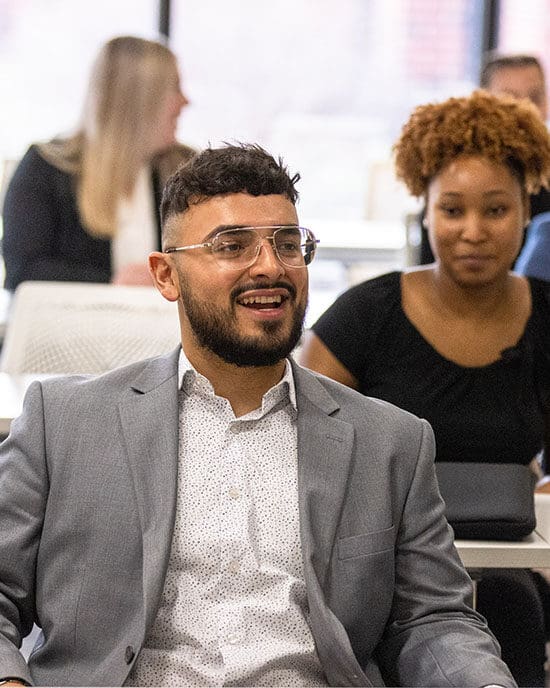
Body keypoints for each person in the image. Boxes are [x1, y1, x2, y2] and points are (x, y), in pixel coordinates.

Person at [0, 144, 515, 687]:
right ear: (166, 275)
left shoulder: (391, 442)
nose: (270, 266)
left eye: (287, 243)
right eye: (233, 245)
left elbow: (432, 621)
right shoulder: (63, 424)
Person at [300, 91, 550, 686]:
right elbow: (298, 438)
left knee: (510, 612)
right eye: (452, 210)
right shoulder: (368, 314)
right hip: (378, 558)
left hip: (509, 561)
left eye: (495, 210)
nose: (472, 232)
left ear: (525, 212)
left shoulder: (547, 320)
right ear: (425, 212)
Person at [2, 35, 195, 290]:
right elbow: (23, 270)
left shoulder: (187, 170)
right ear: (137, 101)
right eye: (175, 88)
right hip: (73, 326)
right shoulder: (45, 168)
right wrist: (113, 283)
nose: (185, 102)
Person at [419, 52, 550, 264]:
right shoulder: (452, 183)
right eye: (509, 99)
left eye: (535, 98)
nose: (526, 109)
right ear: (482, 102)